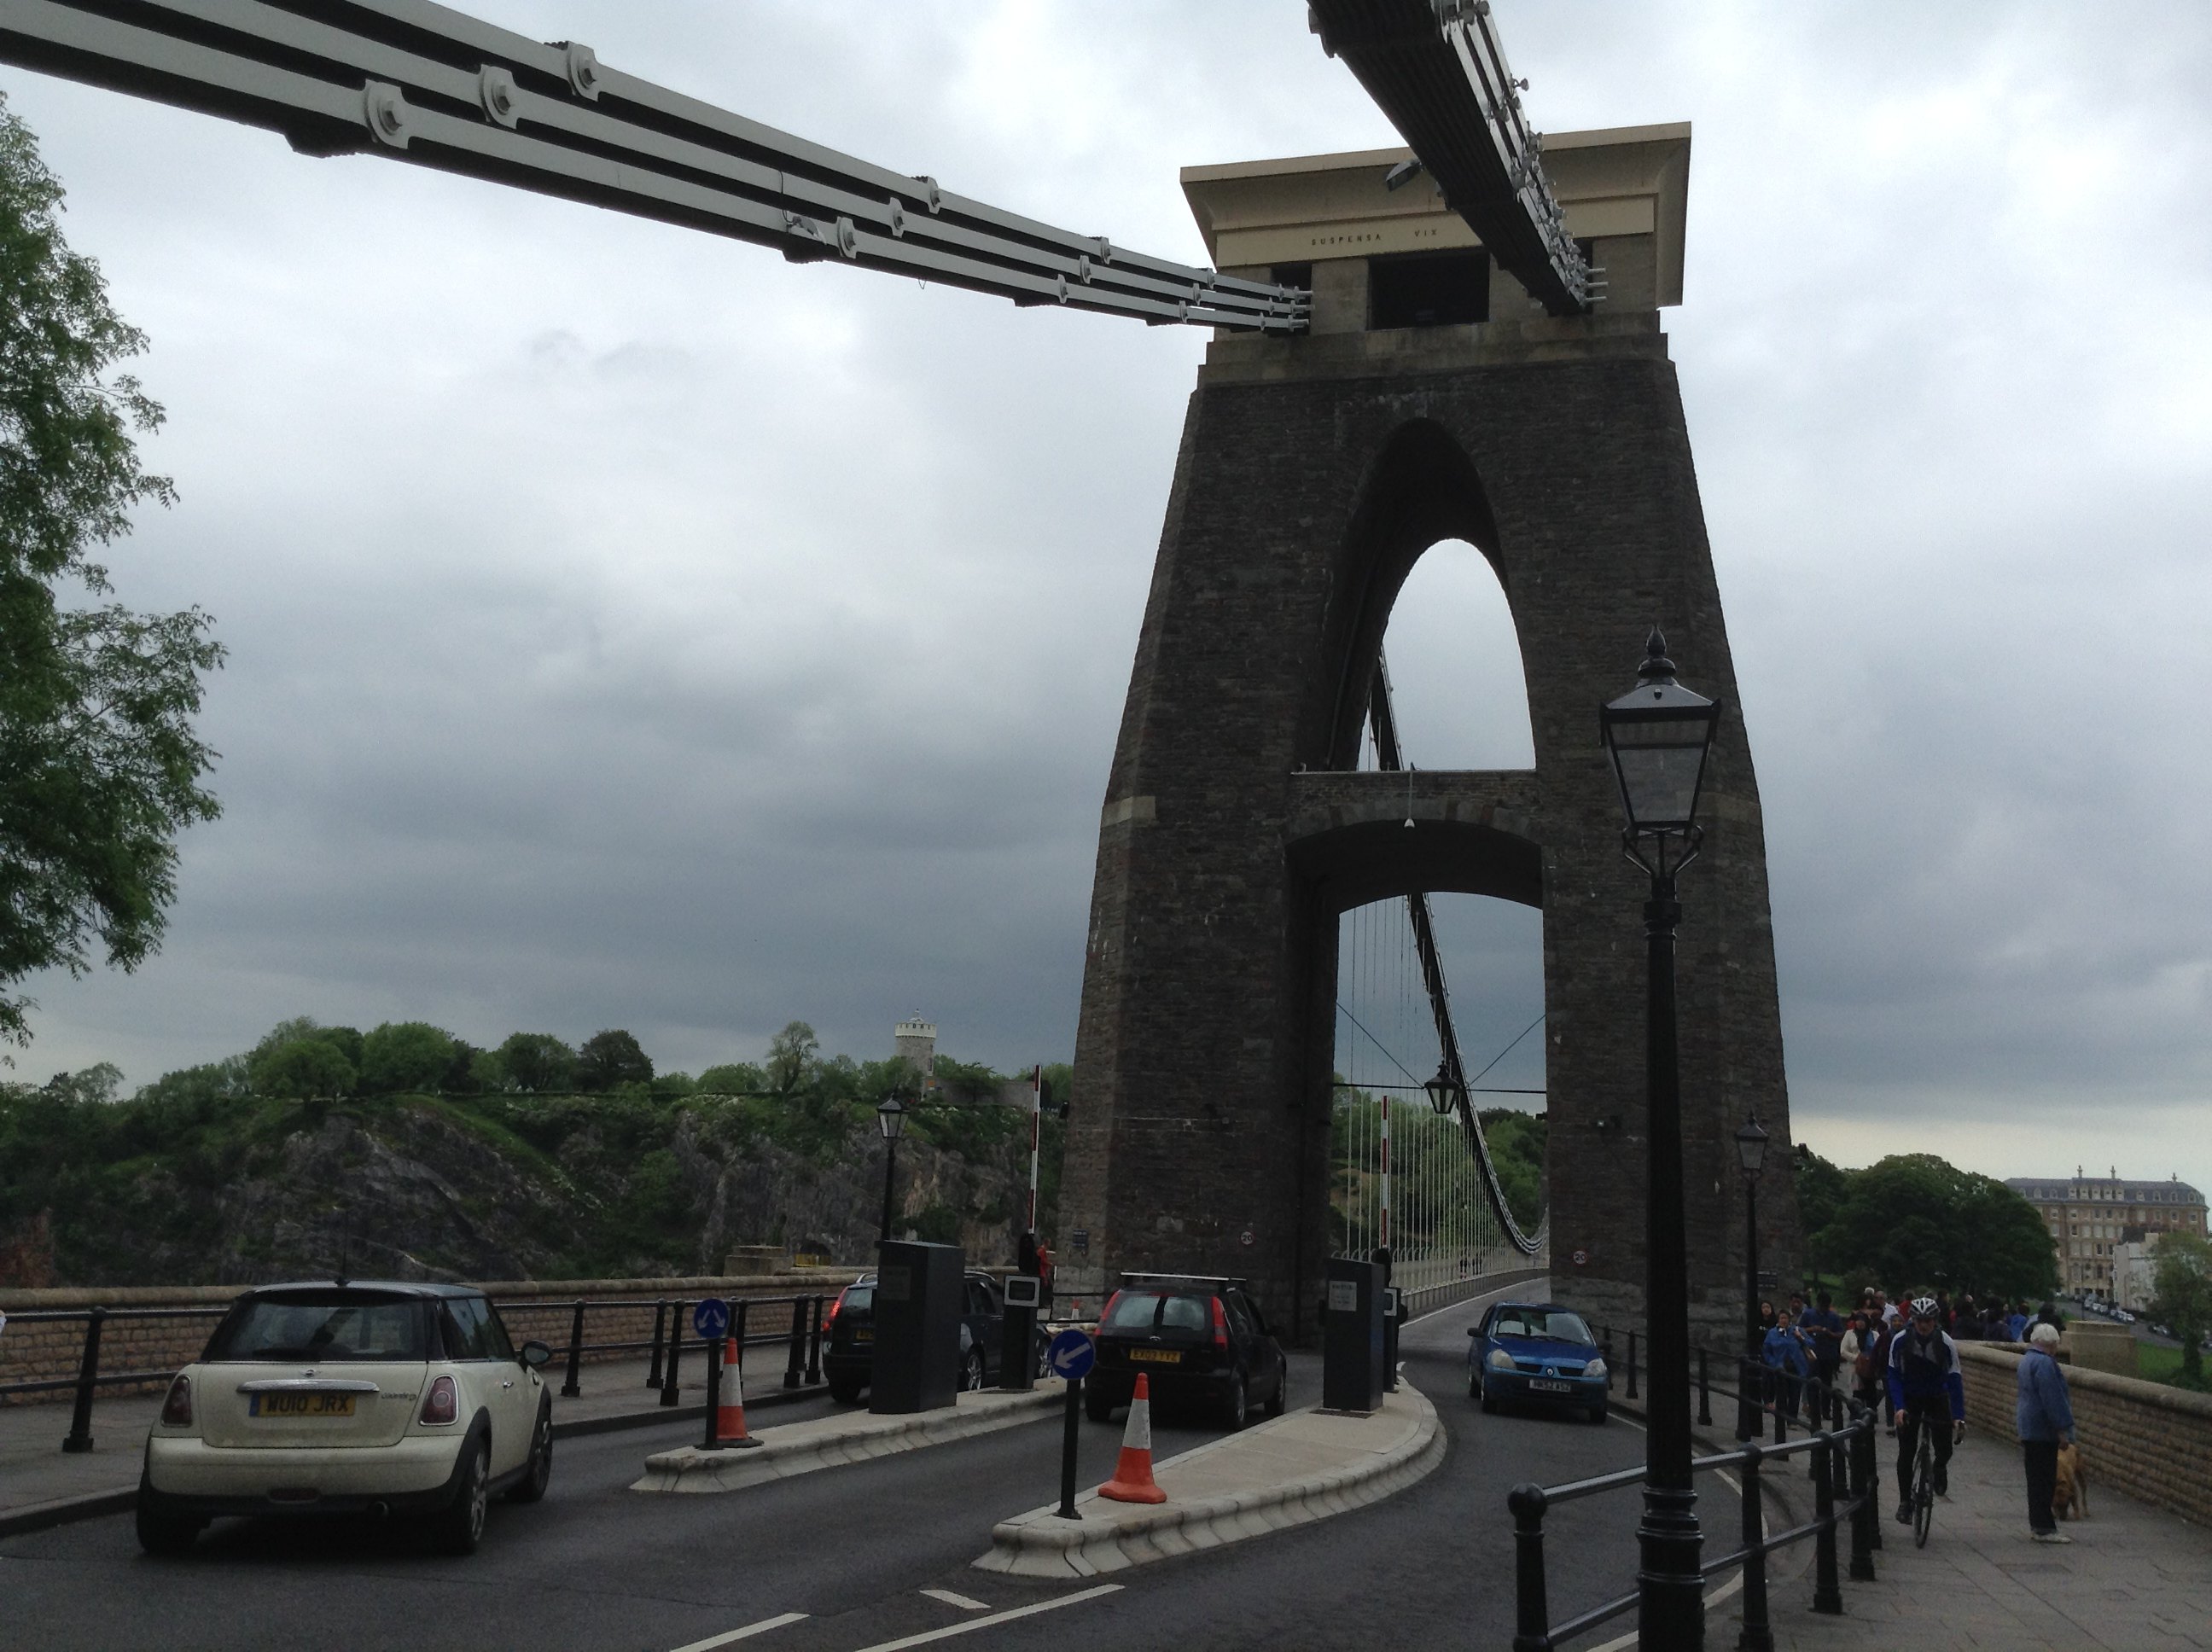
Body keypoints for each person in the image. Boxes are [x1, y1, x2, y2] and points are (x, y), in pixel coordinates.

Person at [1888, 1295, 1966, 1521]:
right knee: (1906, 1450)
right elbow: (1893, 1375)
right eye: (1920, 1320)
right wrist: (1899, 1407)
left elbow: (1954, 1378)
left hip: (1936, 1395)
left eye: (1928, 1320)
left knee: (1945, 1447)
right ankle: (1904, 1502)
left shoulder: (1945, 1342)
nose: (1924, 1325)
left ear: (1935, 1320)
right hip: (1910, 1397)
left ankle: (1939, 1467)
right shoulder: (1901, 1340)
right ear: (1912, 1319)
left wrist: (1959, 1416)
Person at [2017, 1321, 2076, 1543]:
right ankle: (2044, 1527)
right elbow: (2053, 1399)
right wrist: (2062, 1430)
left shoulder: (2027, 1360)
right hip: (2042, 1430)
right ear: (2051, 1343)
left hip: (2028, 1427)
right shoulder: (2045, 1364)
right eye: (2056, 1345)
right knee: (2044, 1480)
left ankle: (2038, 1524)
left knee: (2035, 1479)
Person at [1802, 1290, 1845, 1416]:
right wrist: (1812, 1329)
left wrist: (1829, 1333)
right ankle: (1813, 1409)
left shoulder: (1834, 1317)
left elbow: (1840, 1334)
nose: (1824, 1308)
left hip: (1828, 1353)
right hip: (1813, 1354)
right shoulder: (1808, 1314)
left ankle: (1826, 1410)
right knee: (1812, 1383)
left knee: (1827, 1383)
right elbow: (1799, 1329)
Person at [1763, 1308, 1810, 1420]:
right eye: (1781, 1318)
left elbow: (1811, 1343)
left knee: (1795, 1394)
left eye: (1786, 1318)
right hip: (1780, 1367)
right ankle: (1781, 1417)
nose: (1784, 1321)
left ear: (1789, 1319)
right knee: (1781, 1394)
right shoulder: (1772, 1333)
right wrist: (1773, 1362)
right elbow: (1766, 1350)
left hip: (1796, 1366)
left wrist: (1800, 1338)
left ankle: (1792, 1419)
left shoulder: (1797, 1330)